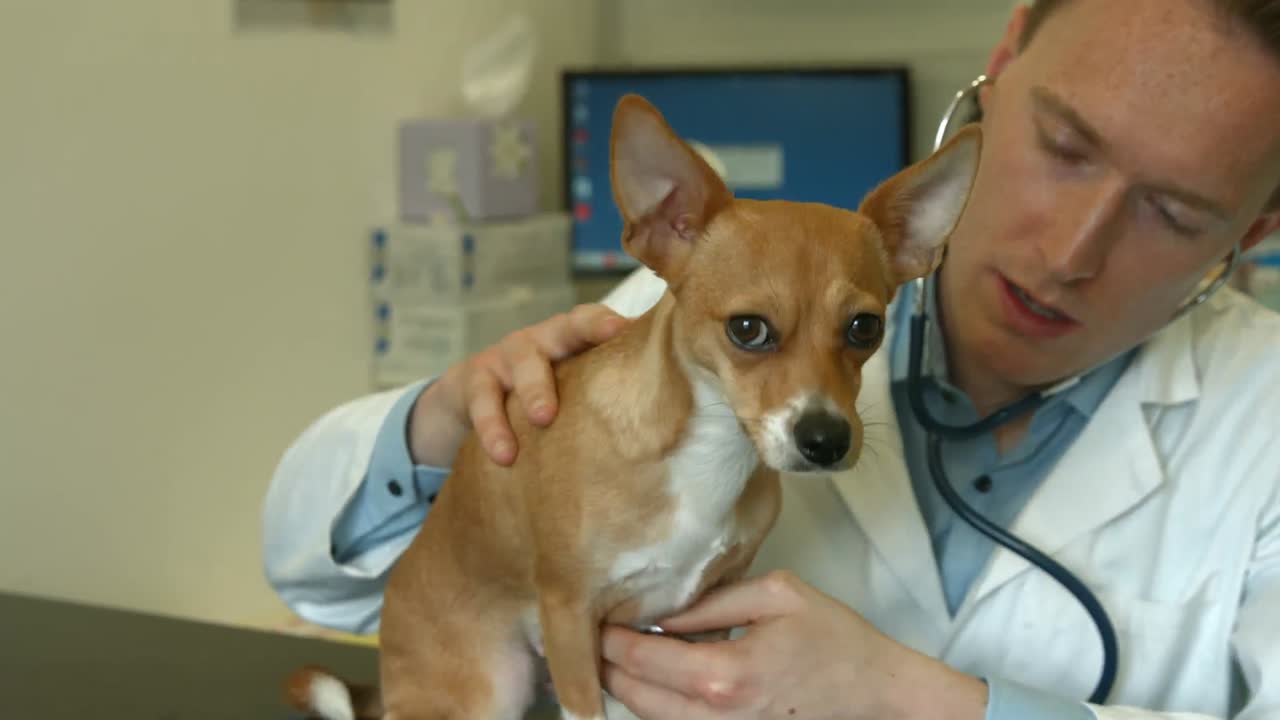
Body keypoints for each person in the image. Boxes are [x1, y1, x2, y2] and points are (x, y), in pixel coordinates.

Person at [261, 0, 1280, 717]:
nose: (1069, 253)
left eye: (1171, 211)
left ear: (1253, 230)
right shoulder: (711, 293)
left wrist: (934, 708)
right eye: (1062, 146)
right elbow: (324, 580)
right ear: (1000, 67)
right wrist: (445, 427)